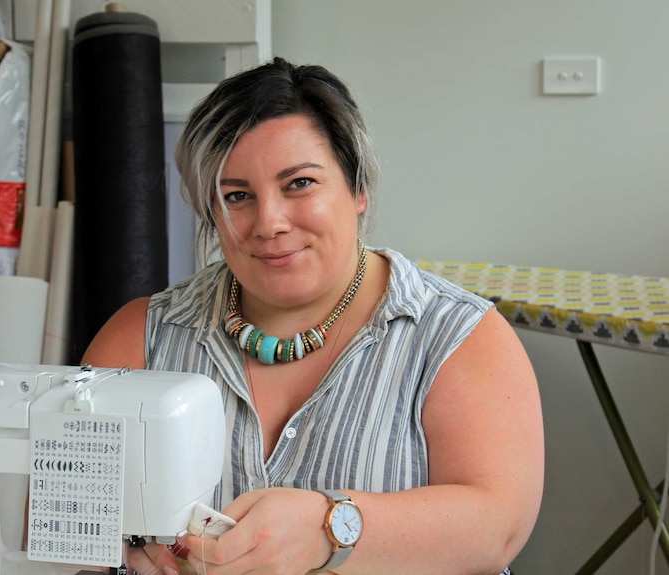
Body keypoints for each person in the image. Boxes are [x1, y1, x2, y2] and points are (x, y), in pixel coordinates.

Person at [82, 57, 544, 575]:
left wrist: (331, 529)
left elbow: (496, 529)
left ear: (357, 188)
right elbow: (61, 511)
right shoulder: (142, 337)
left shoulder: (458, 337)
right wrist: (122, 554)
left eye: (299, 183)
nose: (269, 222)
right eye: (236, 196)